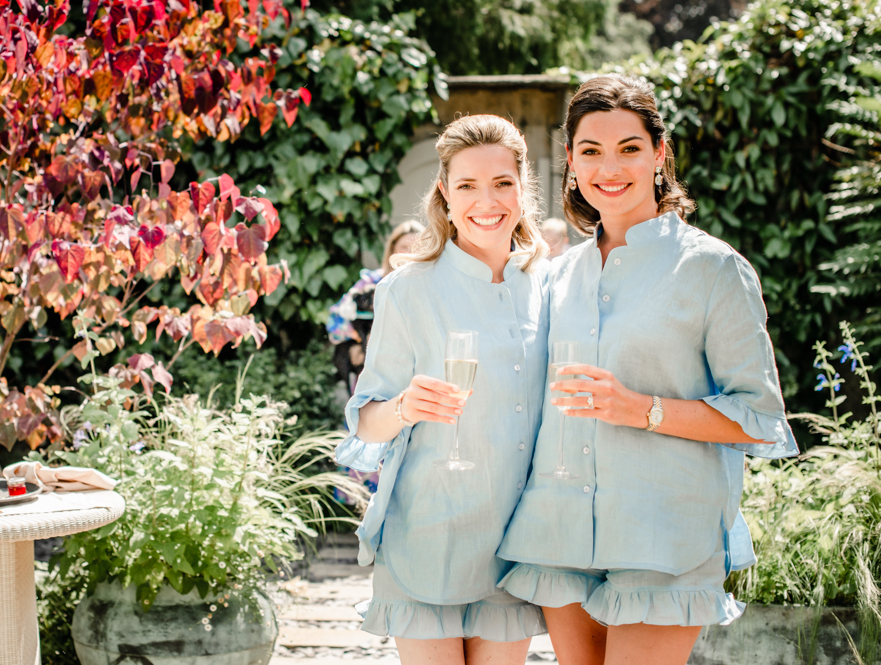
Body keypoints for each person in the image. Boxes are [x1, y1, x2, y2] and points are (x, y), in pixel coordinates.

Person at [496, 75, 799, 665]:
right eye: (591, 150)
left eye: (629, 148)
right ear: (571, 161)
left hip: (665, 536)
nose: (609, 167)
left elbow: (760, 420)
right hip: (559, 530)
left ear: (659, 153)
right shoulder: (556, 274)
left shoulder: (712, 269)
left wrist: (641, 409)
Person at [334, 114, 551, 665]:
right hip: (428, 534)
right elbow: (367, 424)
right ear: (445, 195)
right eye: (467, 185)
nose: (487, 201)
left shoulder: (549, 286)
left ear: (523, 190)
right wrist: (405, 407)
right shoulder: (407, 289)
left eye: (502, 183)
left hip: (517, 544)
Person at [327, 220, 424, 395]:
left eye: (417, 248)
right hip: (373, 374)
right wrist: (359, 341)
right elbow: (335, 320)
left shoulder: (431, 286)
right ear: (392, 249)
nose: (410, 253)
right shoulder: (372, 282)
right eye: (404, 247)